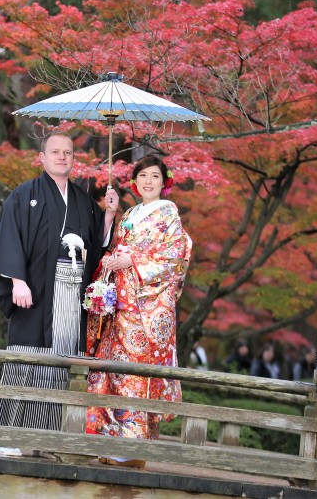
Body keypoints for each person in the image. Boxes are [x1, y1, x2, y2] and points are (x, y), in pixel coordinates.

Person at [0, 131, 119, 457]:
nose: (62, 157)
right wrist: (16, 280)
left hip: (70, 293)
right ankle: (10, 435)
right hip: (33, 292)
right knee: (25, 359)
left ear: (74, 159)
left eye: (68, 153)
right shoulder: (23, 195)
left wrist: (109, 216)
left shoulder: (82, 200)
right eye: (56, 152)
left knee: (60, 363)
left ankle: (46, 439)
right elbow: (10, 237)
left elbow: (95, 244)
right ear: (42, 157)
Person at [85, 155, 192, 469]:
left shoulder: (168, 212)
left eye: (155, 176)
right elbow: (117, 248)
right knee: (110, 371)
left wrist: (131, 261)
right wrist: (110, 260)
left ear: (164, 182)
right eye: (142, 175)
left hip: (146, 305)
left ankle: (133, 449)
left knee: (135, 373)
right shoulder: (130, 212)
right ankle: (109, 440)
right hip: (121, 304)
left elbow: (175, 255)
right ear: (135, 181)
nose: (148, 181)